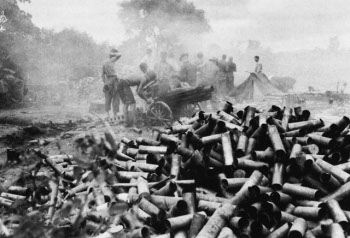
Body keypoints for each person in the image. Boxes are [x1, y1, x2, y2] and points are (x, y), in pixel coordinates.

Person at [102, 49, 121, 119]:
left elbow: (102, 75)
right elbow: (120, 55)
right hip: (114, 80)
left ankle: (107, 114)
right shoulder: (112, 60)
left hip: (107, 82)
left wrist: (105, 83)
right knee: (116, 97)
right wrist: (114, 53)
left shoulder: (104, 62)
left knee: (107, 98)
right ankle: (115, 114)